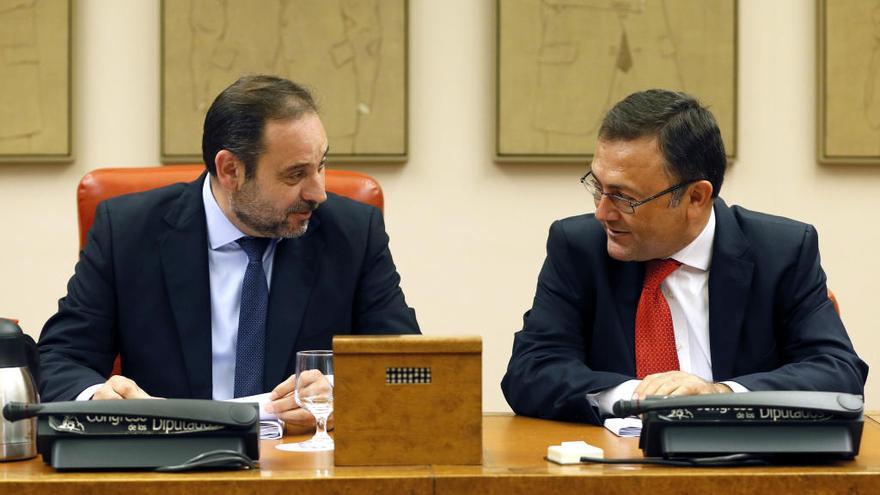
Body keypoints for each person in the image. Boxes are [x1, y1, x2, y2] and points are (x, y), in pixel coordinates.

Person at [38, 75, 420, 432]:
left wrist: (341, 397)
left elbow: (408, 369)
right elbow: (62, 359)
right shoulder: (128, 232)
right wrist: (101, 400)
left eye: (321, 165)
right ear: (230, 170)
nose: (317, 191)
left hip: (300, 466)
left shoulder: (351, 233)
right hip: (169, 467)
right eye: (295, 174)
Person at [501, 89, 867, 425]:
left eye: (624, 197)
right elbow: (531, 371)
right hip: (615, 469)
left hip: (746, 469)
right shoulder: (579, 248)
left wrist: (719, 396)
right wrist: (638, 397)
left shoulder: (782, 251)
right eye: (598, 187)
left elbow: (837, 373)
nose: (603, 212)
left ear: (695, 198)